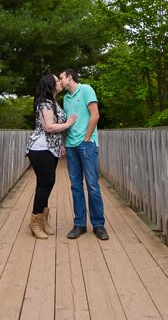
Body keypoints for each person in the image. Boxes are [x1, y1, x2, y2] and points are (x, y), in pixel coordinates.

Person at [26, 74, 78, 239]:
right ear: (50, 85)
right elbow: (49, 127)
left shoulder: (53, 102)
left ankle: (42, 220)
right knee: (46, 183)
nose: (59, 82)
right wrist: (68, 124)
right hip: (41, 148)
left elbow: (54, 129)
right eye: (56, 80)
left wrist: (60, 144)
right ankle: (35, 222)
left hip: (51, 148)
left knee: (45, 184)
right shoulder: (45, 103)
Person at [59, 69, 109, 240]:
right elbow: (67, 123)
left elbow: (95, 115)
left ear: (69, 78)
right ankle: (80, 224)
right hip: (71, 146)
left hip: (86, 145)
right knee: (76, 186)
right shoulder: (65, 98)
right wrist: (65, 142)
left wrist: (87, 138)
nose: (60, 81)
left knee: (93, 185)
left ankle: (99, 225)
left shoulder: (86, 89)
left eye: (61, 78)